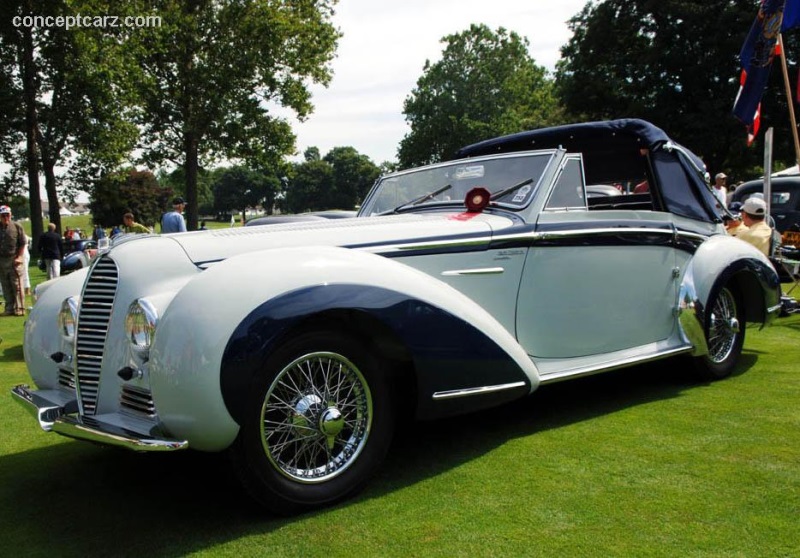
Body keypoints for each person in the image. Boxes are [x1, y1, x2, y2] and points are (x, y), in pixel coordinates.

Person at [0, 205, 28, 316]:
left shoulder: (17, 226)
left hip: (14, 259)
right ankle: (9, 308)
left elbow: (22, 243)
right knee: (5, 284)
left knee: (16, 285)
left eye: (7, 215)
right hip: (1, 260)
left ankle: (20, 308)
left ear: (11, 215)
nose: (5, 217)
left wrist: (20, 257)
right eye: (3, 215)